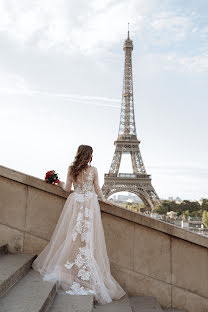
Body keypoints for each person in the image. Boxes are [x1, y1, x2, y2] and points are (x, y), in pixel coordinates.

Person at [32, 145, 126, 305]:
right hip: (89, 204)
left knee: (72, 235)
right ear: (89, 156)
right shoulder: (94, 170)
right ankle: (84, 271)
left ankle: (71, 268)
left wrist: (58, 181)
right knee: (88, 239)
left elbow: (67, 189)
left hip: (75, 203)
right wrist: (105, 200)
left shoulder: (71, 169)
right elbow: (98, 191)